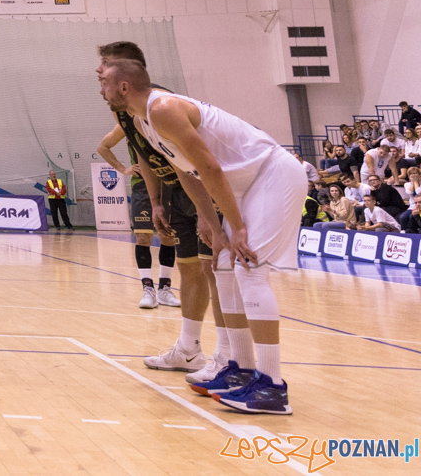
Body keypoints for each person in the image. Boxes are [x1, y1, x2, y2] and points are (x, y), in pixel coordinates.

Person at [98, 56, 306, 415]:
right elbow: (187, 173)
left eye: (104, 82)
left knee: (249, 268)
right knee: (223, 266)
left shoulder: (162, 108)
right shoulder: (142, 121)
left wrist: (238, 227)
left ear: (124, 87)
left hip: (273, 175)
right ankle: (240, 370)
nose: (100, 90)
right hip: (246, 187)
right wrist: (212, 224)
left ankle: (272, 386)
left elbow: (209, 166)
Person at [96, 41, 223, 379]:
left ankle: (227, 357)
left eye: (105, 64)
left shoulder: (160, 104)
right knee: (189, 269)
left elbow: (193, 162)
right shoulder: (124, 112)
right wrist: (155, 202)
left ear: (126, 72)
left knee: (215, 271)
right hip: (175, 189)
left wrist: (205, 213)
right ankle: (188, 349)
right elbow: (144, 154)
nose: (98, 71)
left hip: (202, 186)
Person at [98, 115, 179, 309]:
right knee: (143, 237)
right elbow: (103, 147)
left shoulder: (162, 118)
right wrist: (123, 169)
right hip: (142, 186)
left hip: (168, 184)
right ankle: (147, 289)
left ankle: (164, 289)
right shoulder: (125, 124)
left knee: (168, 236)